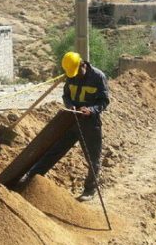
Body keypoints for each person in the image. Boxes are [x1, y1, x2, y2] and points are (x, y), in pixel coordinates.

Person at [19, 51, 110, 202]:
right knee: (54, 151)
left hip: (89, 123)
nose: (74, 76)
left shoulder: (98, 77)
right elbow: (66, 95)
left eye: (77, 72)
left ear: (83, 65)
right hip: (71, 120)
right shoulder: (71, 74)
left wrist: (91, 110)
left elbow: (104, 101)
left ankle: (90, 189)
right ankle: (31, 177)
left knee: (93, 158)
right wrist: (70, 105)